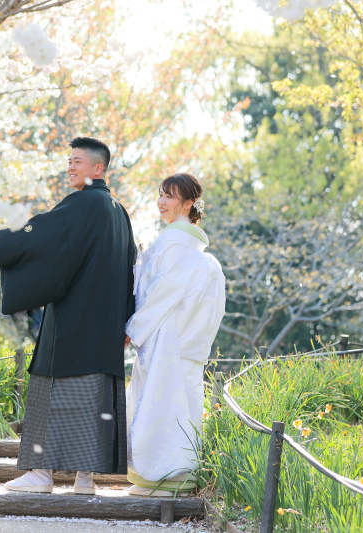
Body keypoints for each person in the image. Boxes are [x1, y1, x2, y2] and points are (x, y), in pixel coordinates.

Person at [0, 137, 137, 495]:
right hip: (106, 326)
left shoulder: (83, 203)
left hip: (75, 320)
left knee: (52, 390)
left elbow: (44, 235)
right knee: (93, 396)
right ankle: (86, 479)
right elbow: (131, 270)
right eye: (69, 162)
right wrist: (127, 320)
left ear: (98, 169)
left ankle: (40, 474)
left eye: (78, 162)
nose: (70, 167)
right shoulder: (119, 212)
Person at [124, 173, 226, 497]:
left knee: (164, 404)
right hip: (171, 339)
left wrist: (132, 328)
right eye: (161, 195)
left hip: (164, 337)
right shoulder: (183, 245)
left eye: (169, 196)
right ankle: (165, 477)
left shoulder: (178, 245)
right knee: (172, 404)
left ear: (188, 203)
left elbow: (161, 293)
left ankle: (166, 478)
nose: (161, 202)